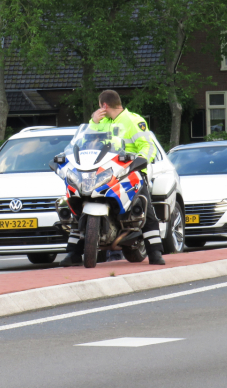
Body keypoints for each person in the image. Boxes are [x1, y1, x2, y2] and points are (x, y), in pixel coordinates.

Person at [60, 89, 166, 267]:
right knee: (79, 206)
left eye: (99, 106)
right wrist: (93, 122)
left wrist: (139, 164)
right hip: (103, 172)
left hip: (130, 172)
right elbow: (84, 143)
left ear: (104, 105)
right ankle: (73, 253)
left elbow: (148, 146)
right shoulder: (101, 123)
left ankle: (155, 253)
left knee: (144, 209)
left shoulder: (134, 121)